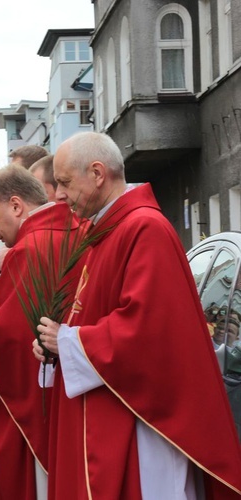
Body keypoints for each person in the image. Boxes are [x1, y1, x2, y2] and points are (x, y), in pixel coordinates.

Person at [35, 131, 241, 498]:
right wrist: (55, 342)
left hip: (145, 418)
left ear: (98, 173)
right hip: (114, 403)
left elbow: (148, 328)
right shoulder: (106, 231)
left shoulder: (144, 228)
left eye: (65, 182)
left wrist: (69, 341)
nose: (59, 194)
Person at [0, 165, 80, 499]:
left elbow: (13, 335)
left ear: (16, 205)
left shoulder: (30, 249)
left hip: (40, 390)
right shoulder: (72, 232)